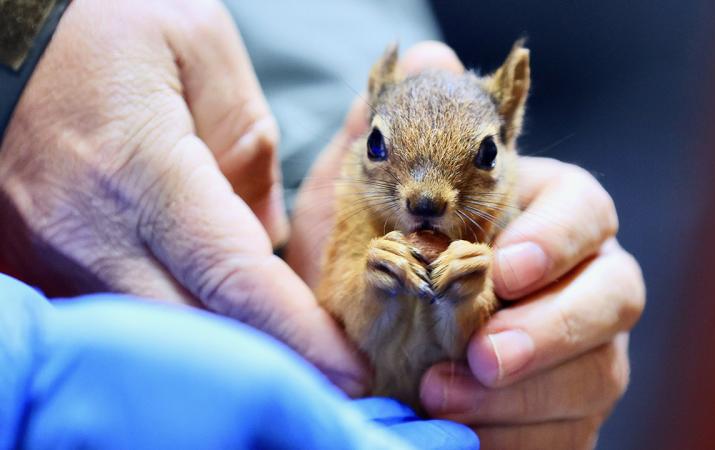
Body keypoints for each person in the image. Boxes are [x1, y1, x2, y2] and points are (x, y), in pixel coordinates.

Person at [0, 1, 645, 448]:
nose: (424, 200)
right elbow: (350, 304)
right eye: (381, 150)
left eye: (477, 160)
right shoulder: (361, 216)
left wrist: (485, 298)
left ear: (510, 127)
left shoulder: (494, 224)